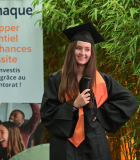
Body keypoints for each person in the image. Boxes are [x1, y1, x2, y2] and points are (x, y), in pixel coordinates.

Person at [41, 22, 138, 160]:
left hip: (94, 142)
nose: (83, 53)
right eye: (78, 48)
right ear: (71, 50)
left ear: (91, 53)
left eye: (87, 49)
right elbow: (46, 113)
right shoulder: (56, 79)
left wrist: (99, 113)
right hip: (65, 144)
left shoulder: (103, 79)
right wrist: (74, 105)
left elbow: (129, 101)